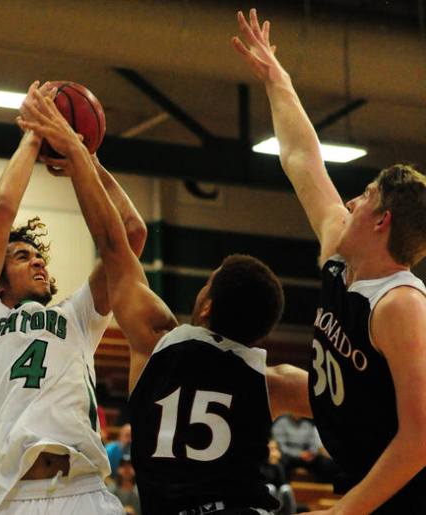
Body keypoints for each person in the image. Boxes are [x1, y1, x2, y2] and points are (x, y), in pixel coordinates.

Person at [19, 82, 311, 515]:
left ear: (207, 306)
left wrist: (83, 157)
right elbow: (370, 413)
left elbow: (115, 245)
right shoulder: (274, 382)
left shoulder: (156, 339)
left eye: (206, 282)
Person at [233, 8, 426, 514]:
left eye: (364, 195)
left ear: (381, 221)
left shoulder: (399, 307)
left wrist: (344, 512)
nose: (351, 203)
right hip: (356, 456)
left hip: (403, 489)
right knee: (266, 379)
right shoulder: (342, 253)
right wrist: (280, 81)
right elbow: (302, 160)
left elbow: (421, 439)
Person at [0, 81, 146, 514]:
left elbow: (131, 235)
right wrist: (36, 131)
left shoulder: (77, 316)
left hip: (84, 495)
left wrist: (87, 161)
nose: (38, 262)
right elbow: (4, 208)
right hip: (9, 497)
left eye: (40, 256)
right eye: (22, 257)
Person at [271, 414, 338, 483]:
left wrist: (310, 453)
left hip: (306, 457)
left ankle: (324, 489)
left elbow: (314, 445)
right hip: (289, 456)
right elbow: (280, 446)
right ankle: (284, 486)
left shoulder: (307, 425)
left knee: (326, 462)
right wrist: (298, 454)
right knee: (281, 459)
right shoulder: (280, 423)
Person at [261, 440, 297, 515]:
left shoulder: (281, 463)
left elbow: (283, 482)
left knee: (286, 489)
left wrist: (277, 465)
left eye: (275, 449)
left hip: (279, 499)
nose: (273, 453)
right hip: (262, 501)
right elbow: (262, 484)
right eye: (270, 449)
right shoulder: (260, 464)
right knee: (270, 488)